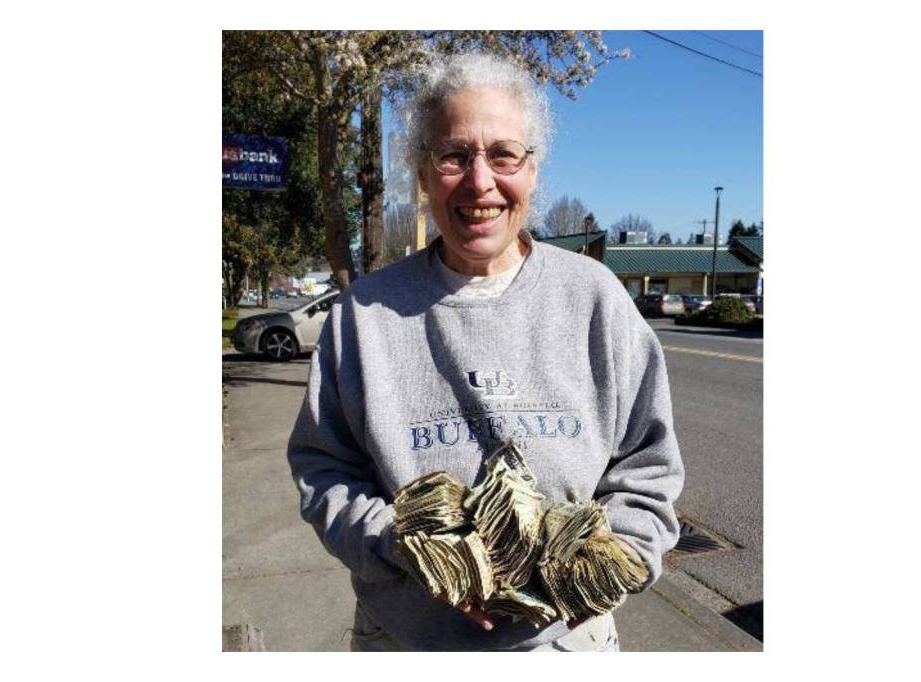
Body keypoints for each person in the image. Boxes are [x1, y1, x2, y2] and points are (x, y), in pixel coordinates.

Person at [287, 51, 684, 652]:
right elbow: (325, 471)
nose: (480, 181)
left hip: (566, 645)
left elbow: (648, 469)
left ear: (533, 171)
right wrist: (403, 546)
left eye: (503, 154)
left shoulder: (595, 298)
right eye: (454, 155)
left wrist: (611, 560)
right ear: (423, 175)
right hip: (405, 641)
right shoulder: (362, 315)